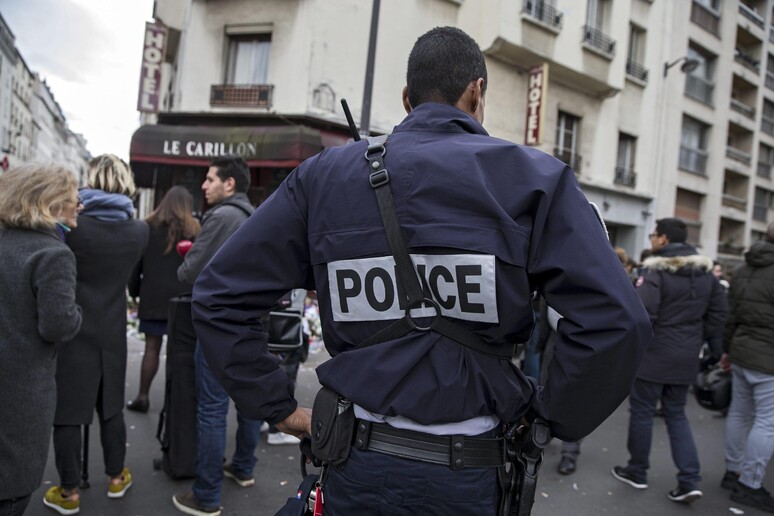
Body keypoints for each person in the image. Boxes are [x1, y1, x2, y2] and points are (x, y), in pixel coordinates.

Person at [191, 27, 652, 514]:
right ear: (477, 91)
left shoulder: (323, 177)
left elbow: (218, 295)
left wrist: (277, 408)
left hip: (354, 463)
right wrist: (549, 417)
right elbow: (618, 322)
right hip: (474, 471)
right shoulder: (535, 179)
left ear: (407, 98)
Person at [45, 154, 149, 515]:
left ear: (91, 179)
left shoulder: (72, 227)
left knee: (69, 413)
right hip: (112, 328)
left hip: (73, 327)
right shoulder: (139, 231)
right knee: (110, 408)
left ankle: (69, 490)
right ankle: (117, 476)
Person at [612, 217, 727, 504]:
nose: (650, 239)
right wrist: (713, 349)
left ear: (663, 239)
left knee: (642, 412)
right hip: (686, 356)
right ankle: (689, 480)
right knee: (676, 415)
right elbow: (718, 315)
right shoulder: (707, 275)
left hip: (653, 357)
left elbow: (642, 314)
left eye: (653, 235)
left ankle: (637, 471)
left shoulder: (655, 273)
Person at [172, 156, 262, 516]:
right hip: (252, 322)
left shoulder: (221, 217)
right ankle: (242, 467)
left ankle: (207, 495)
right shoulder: (255, 216)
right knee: (249, 402)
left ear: (230, 184)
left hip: (218, 325)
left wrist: (188, 256)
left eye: (210, 179)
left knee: (211, 407)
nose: (204, 186)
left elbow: (188, 272)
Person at [0, 165, 83, 516]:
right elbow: (57, 326)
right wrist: (78, 312)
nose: (79, 203)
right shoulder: (53, 255)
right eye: (72, 197)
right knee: (13, 488)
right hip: (23, 391)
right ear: (51, 202)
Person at [127, 186, 200, 413]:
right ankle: (174, 404)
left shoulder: (147, 227)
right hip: (183, 299)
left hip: (153, 297)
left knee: (152, 347)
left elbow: (135, 266)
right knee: (178, 353)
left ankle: (142, 396)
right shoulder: (195, 230)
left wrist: (136, 291)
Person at [720, 222, 774, 513]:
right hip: (767, 358)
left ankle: (734, 471)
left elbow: (731, 318)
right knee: (767, 421)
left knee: (740, 414)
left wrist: (727, 350)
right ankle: (750, 484)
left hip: (741, 350)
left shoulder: (743, 271)